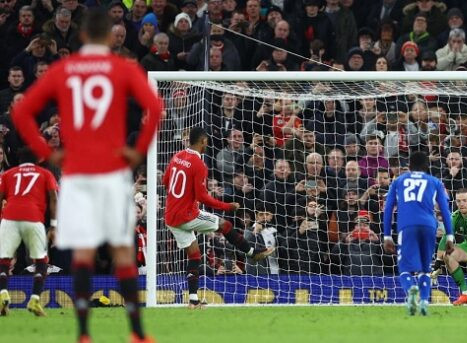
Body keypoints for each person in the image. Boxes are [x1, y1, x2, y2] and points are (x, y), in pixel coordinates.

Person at [10, 9, 163, 343]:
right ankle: (137, 333)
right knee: (122, 248)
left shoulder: (64, 69)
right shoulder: (123, 68)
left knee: (83, 252)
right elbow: (155, 107)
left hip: (77, 173)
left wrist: (48, 153)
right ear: (111, 37)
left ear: (81, 37)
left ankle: (82, 334)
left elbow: (20, 111)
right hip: (112, 171)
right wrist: (137, 151)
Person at [163, 127, 274, 307]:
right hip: (187, 215)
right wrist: (227, 205)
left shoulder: (177, 156)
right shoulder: (199, 164)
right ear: (203, 141)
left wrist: (182, 197)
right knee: (224, 224)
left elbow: (166, 181)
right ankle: (252, 253)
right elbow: (202, 197)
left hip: (171, 217)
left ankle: (193, 301)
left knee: (194, 255)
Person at [382, 151, 454, 316]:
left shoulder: (399, 181)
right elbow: (445, 210)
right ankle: (423, 302)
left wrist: (387, 235)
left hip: (407, 226)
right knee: (425, 269)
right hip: (429, 226)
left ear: (409, 166)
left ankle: (411, 289)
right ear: (427, 166)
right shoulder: (435, 182)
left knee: (405, 269)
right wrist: (449, 235)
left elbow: (388, 209)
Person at [0, 148, 58, 317]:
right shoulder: (45, 173)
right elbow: (54, 198)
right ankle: (34, 300)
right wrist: (53, 226)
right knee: (41, 260)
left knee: (3, 259)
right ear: (38, 159)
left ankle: (3, 294)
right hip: (33, 218)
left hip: (9, 217)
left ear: (19, 159)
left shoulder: (8, 174)